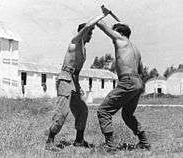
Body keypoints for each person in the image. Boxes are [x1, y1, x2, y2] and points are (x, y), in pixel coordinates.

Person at [45, 11, 110, 151]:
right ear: (83, 32)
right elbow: (87, 27)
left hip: (73, 81)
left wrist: (78, 86)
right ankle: (49, 142)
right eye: (89, 32)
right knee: (62, 112)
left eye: (92, 32)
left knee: (82, 110)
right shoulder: (74, 42)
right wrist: (102, 15)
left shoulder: (84, 50)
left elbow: (77, 72)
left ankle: (79, 141)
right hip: (65, 79)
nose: (91, 35)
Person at [96, 21, 151, 151]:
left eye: (115, 32)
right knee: (127, 114)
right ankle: (144, 142)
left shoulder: (120, 40)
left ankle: (110, 145)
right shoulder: (135, 49)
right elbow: (141, 70)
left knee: (103, 111)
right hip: (138, 82)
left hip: (128, 80)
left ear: (120, 33)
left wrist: (100, 16)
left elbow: (102, 26)